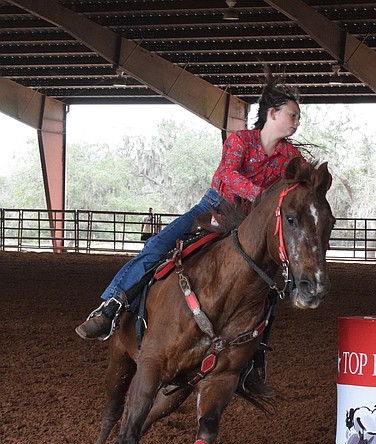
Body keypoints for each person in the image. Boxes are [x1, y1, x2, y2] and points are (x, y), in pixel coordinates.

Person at [76, 70, 303, 341]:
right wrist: (261, 194)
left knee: (266, 279)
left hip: (249, 221)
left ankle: (255, 356)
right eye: (293, 115)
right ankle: (110, 308)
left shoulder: (291, 156)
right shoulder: (240, 141)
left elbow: (306, 180)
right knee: (158, 247)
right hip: (213, 209)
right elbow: (227, 175)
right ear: (273, 114)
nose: (297, 122)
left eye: (298, 117)